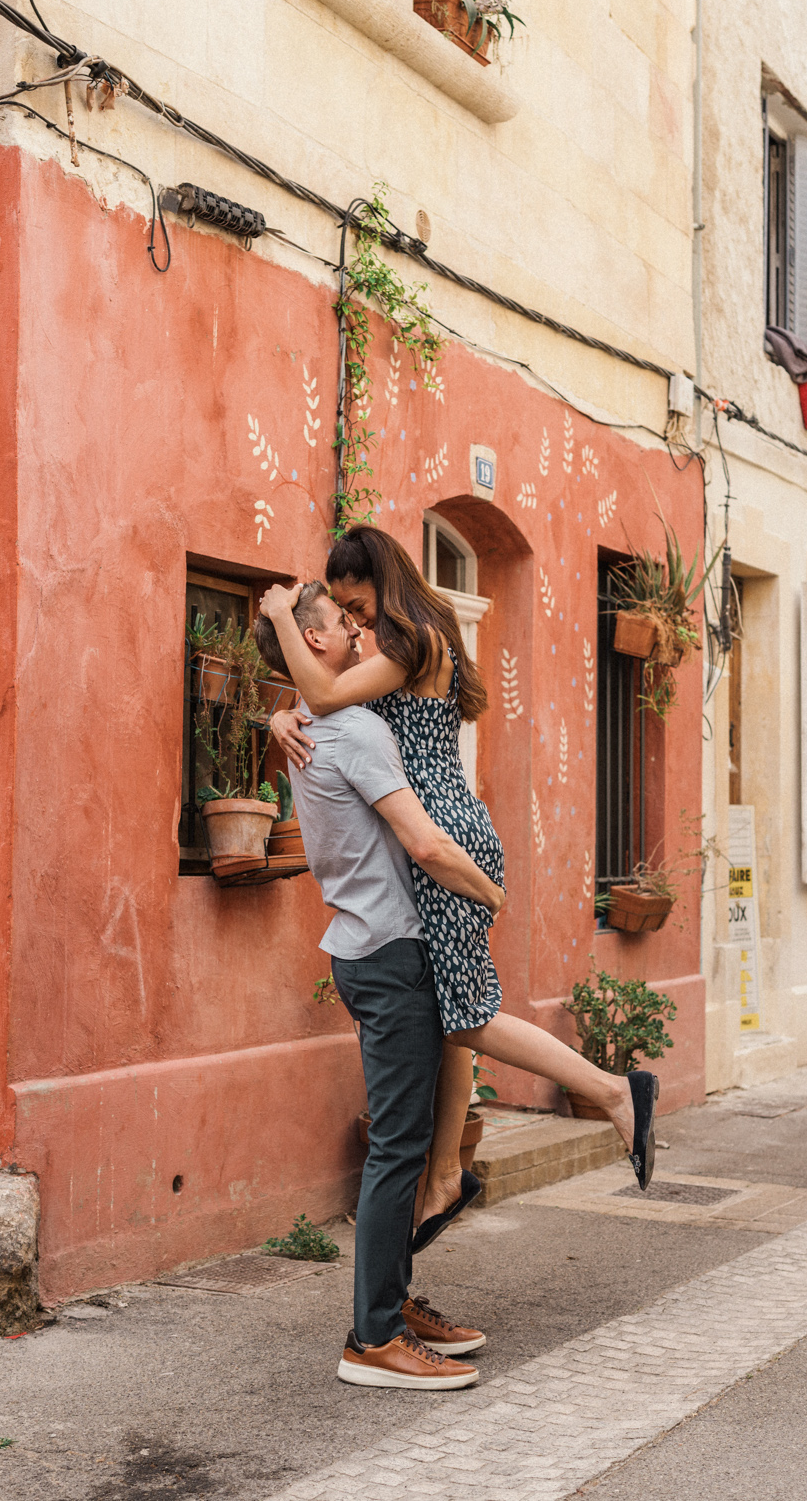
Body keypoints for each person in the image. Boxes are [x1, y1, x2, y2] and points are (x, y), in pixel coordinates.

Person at [262, 525, 658, 1251]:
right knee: (452, 1007)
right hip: (447, 826)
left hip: (440, 837)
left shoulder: (410, 642)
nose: (357, 622)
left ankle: (611, 1091)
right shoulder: (413, 636)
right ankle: (445, 1173)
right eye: (345, 613)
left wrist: (284, 615)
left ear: (383, 582)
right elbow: (319, 703)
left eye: (358, 605)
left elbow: (322, 693)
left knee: (469, 1015)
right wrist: (278, 711)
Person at [255, 581, 498, 1389]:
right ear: (316, 643)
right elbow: (423, 843)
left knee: (415, 1141)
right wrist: (490, 892)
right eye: (344, 622)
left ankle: (393, 1305)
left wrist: (280, 706)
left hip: (373, 950)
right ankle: (374, 1340)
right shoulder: (353, 731)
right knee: (400, 1147)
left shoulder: (322, 724)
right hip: (391, 955)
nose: (362, 629)